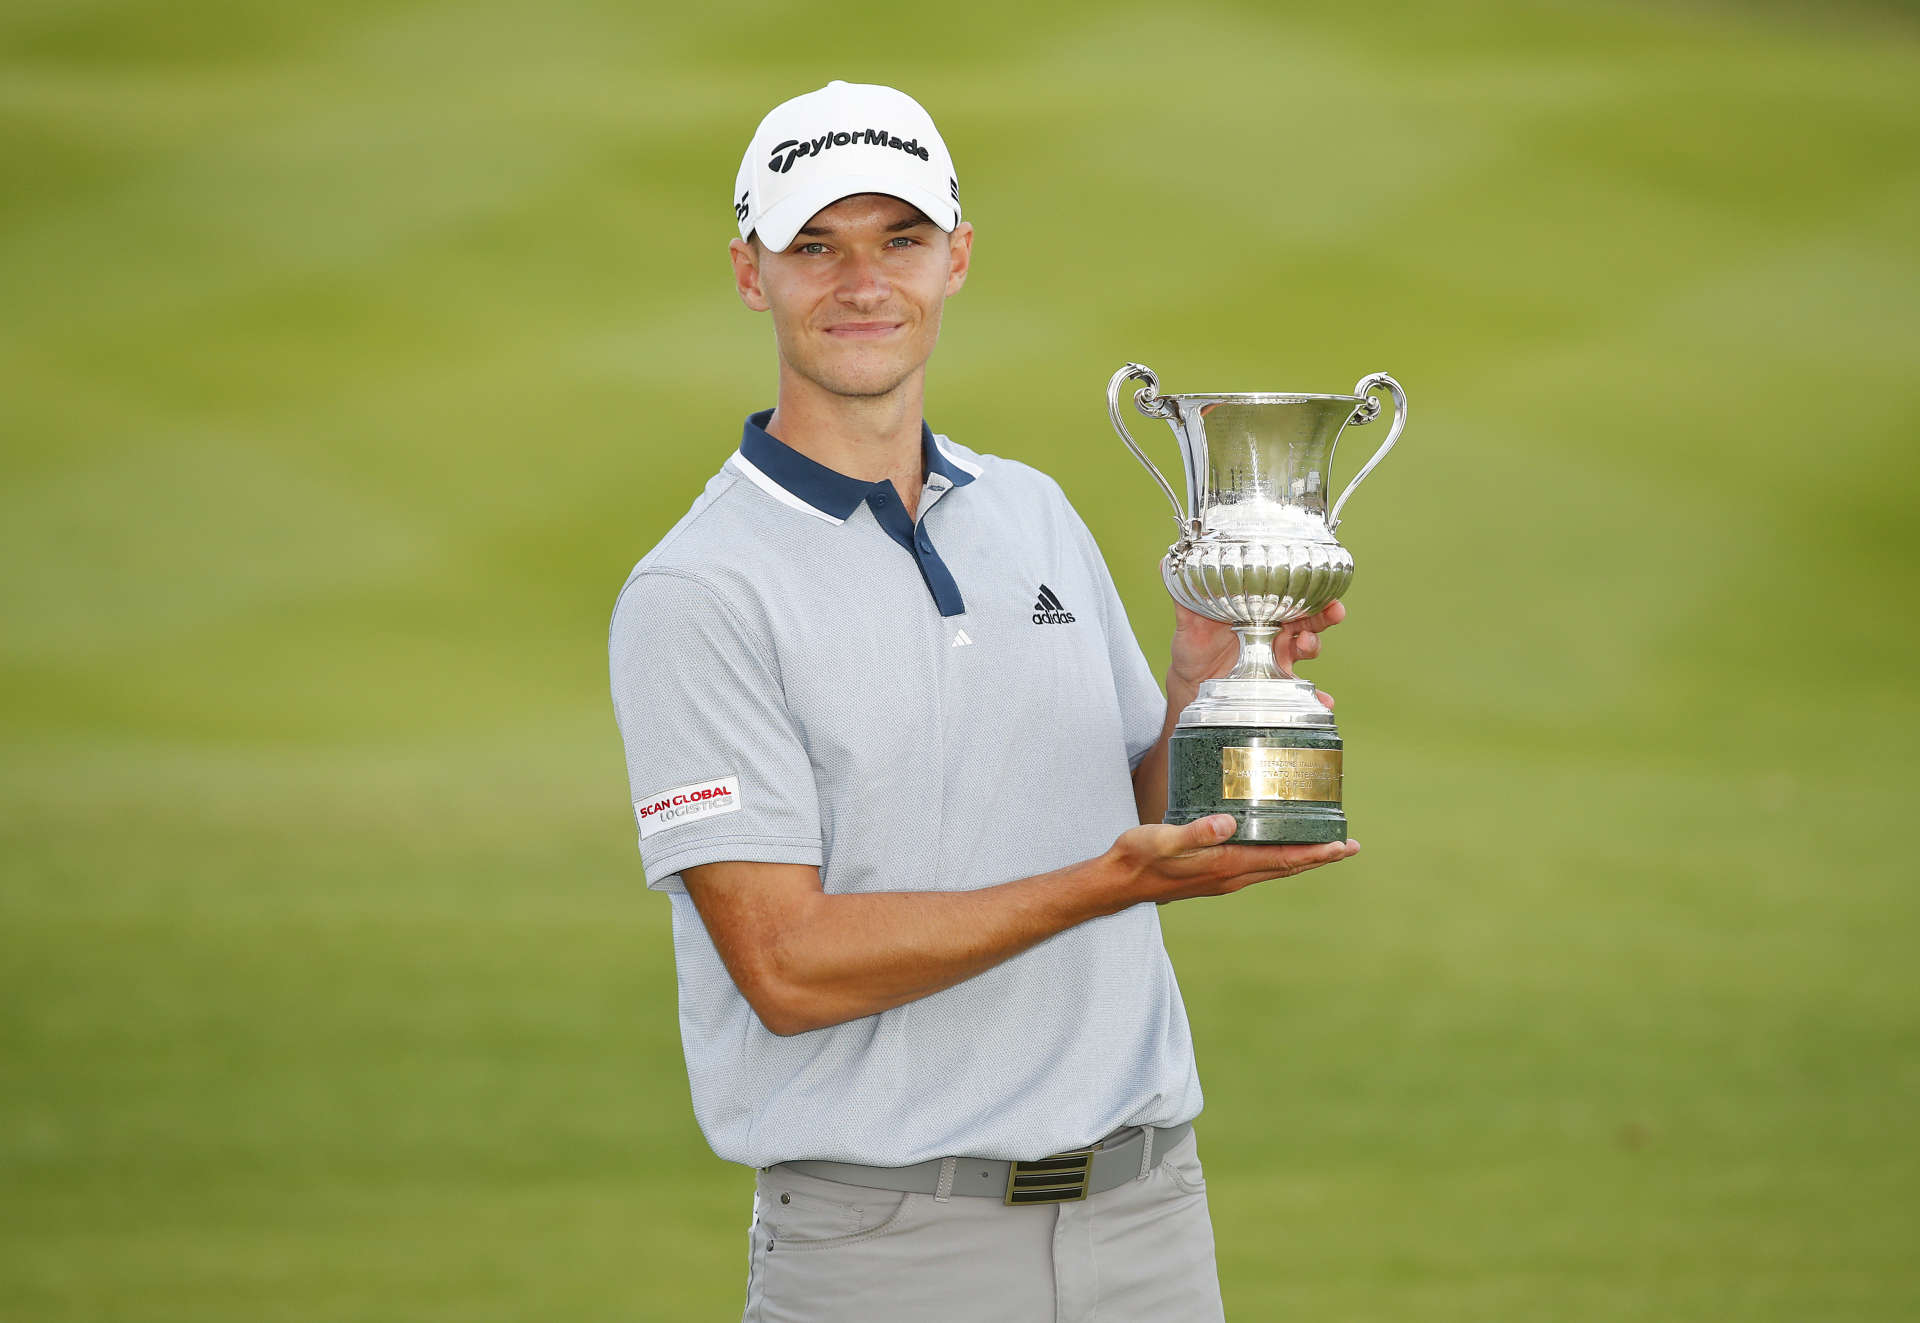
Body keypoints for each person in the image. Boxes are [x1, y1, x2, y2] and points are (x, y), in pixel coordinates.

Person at [607, 79, 1359, 1323]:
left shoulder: (1034, 511)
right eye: (816, 246)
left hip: (1149, 1219)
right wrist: (1107, 888)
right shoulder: (700, 588)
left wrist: (1200, 684)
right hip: (887, 1248)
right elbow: (786, 968)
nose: (863, 283)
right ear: (752, 272)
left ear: (955, 257)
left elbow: (1127, 804)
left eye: (899, 239)